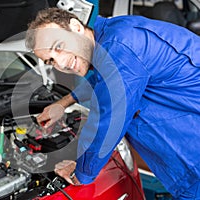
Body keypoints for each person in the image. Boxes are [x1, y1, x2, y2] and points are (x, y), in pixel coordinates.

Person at [25, 7, 200, 199]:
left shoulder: (121, 46)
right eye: (51, 60)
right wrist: (64, 102)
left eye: (58, 46)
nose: (61, 62)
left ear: (75, 26)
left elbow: (107, 121)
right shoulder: (111, 38)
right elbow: (103, 81)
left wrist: (81, 172)